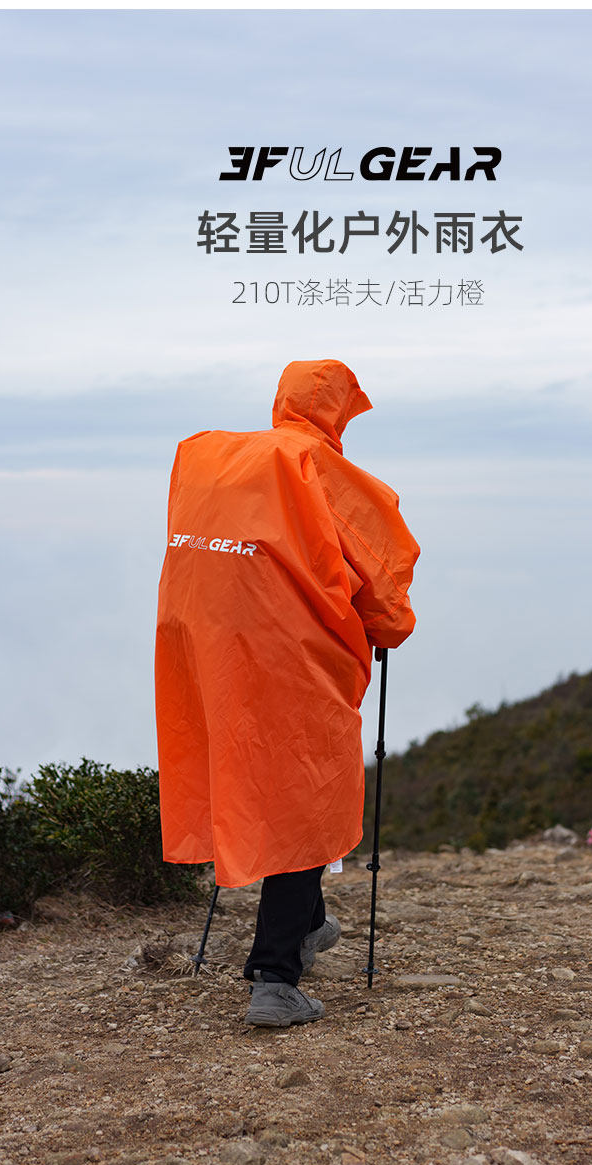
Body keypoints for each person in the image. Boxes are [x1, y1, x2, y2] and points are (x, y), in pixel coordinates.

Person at [155, 359, 419, 1027]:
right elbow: (381, 577)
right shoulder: (317, 466)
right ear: (338, 411)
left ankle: (309, 923)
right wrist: (391, 626)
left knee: (271, 786)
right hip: (290, 658)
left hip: (206, 650)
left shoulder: (211, 456)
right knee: (306, 798)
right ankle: (275, 979)